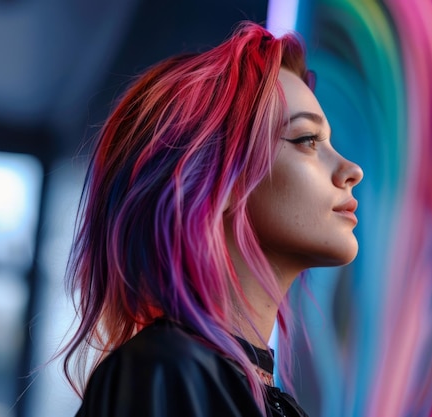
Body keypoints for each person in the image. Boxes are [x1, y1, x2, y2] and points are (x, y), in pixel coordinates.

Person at [62, 21, 363, 417]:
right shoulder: (163, 372)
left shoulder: (234, 386)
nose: (351, 169)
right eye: (306, 139)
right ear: (220, 180)